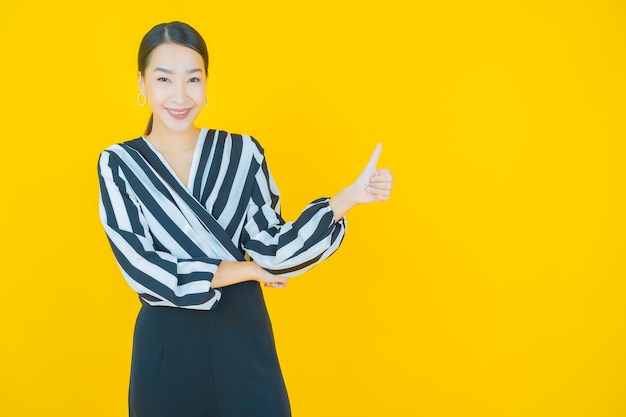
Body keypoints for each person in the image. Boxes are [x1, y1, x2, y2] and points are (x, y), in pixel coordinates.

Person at [98, 21, 393, 417]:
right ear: (142, 83)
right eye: (164, 79)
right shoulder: (119, 163)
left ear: (206, 84)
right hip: (167, 347)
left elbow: (273, 249)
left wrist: (347, 199)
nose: (180, 95)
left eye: (193, 79)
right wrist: (250, 271)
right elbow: (145, 270)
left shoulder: (242, 152)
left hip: (243, 338)